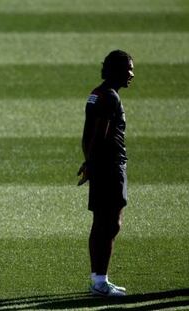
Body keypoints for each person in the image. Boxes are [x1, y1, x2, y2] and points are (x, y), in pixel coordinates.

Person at [77, 50, 134, 297]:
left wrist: (88, 161)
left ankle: (98, 280)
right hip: (110, 166)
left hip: (100, 164)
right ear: (115, 70)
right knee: (110, 223)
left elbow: (87, 133)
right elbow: (100, 133)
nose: (132, 74)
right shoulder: (110, 97)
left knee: (101, 223)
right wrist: (92, 163)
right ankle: (100, 282)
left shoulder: (96, 93)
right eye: (128, 68)